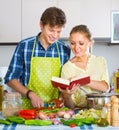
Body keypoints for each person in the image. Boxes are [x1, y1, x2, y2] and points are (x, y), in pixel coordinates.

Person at [4, 7, 71, 109]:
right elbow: (10, 79)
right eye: (51, 30)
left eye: (58, 31)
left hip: (54, 110)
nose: (55, 35)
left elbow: (64, 81)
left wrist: (63, 97)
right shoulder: (24, 46)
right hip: (27, 108)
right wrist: (31, 94)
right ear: (41, 25)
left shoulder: (64, 49)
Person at [58, 25, 110, 109]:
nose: (76, 47)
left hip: (101, 111)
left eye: (81, 43)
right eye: (72, 43)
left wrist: (83, 80)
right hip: (79, 114)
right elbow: (70, 106)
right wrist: (67, 96)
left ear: (90, 43)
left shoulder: (100, 61)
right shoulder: (67, 68)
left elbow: (105, 87)